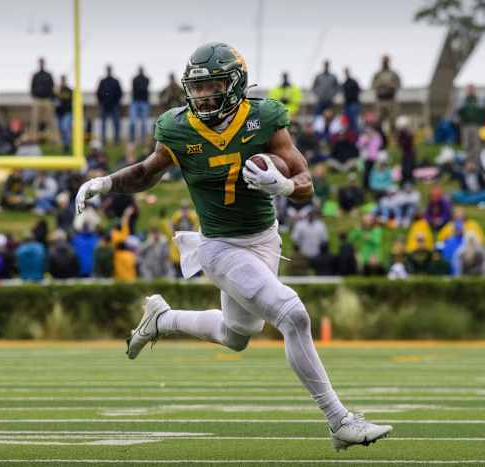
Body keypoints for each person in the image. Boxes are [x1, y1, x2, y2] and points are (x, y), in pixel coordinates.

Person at [75, 42, 392, 449]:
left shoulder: (263, 117)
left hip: (264, 239)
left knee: (236, 334)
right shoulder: (177, 127)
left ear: (235, 84)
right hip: (219, 245)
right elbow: (147, 173)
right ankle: (339, 421)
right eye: (197, 87)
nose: (204, 95)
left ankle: (162, 319)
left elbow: (305, 182)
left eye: (213, 85)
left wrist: (283, 185)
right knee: (293, 315)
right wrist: (105, 183)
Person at [371, 55, 401, 134]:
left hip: (391, 100)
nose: (385, 63)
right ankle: (379, 138)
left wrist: (389, 84)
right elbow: (373, 85)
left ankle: (393, 138)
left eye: (386, 61)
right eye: (383, 61)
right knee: (378, 122)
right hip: (380, 100)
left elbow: (398, 85)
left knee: (393, 122)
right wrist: (381, 84)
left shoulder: (393, 74)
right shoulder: (377, 74)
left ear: (389, 62)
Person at [29, 58, 58, 143]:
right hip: (37, 99)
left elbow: (52, 86)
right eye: (40, 63)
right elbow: (32, 86)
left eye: (42, 62)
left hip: (47, 99)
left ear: (44, 63)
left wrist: (52, 97)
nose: (41, 64)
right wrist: (34, 95)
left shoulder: (48, 75)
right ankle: (33, 139)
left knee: (51, 120)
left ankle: (54, 139)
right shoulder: (35, 75)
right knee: (34, 121)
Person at [457, 84, 485, 161]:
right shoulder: (463, 100)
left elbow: (483, 112)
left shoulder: (478, 99)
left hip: (476, 125)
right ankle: (468, 162)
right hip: (465, 126)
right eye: (469, 89)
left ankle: (476, 162)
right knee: (466, 144)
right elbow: (459, 112)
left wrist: (481, 123)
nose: (470, 91)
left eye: (472, 89)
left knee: (476, 144)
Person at [96, 65, 123, 146]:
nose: (109, 71)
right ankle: (103, 141)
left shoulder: (115, 81)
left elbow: (120, 93)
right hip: (104, 106)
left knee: (116, 124)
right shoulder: (102, 81)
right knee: (103, 125)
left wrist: (116, 102)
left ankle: (116, 141)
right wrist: (102, 102)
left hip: (114, 106)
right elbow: (98, 93)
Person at [129, 66, 150, 144]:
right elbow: (139, 89)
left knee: (144, 123)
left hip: (144, 102)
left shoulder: (146, 79)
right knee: (133, 122)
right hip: (135, 102)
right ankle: (132, 140)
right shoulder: (135, 79)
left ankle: (143, 140)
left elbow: (142, 88)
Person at [55, 75, 73, 154]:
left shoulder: (69, 90)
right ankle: (64, 146)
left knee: (65, 128)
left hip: (67, 113)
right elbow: (53, 100)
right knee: (61, 130)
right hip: (59, 114)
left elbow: (71, 102)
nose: (62, 82)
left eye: (63, 81)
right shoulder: (57, 91)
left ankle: (67, 145)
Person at [341, 67, 361, 133]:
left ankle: (355, 134)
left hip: (354, 103)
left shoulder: (353, 82)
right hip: (347, 104)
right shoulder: (344, 83)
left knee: (354, 121)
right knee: (346, 121)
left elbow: (359, 90)